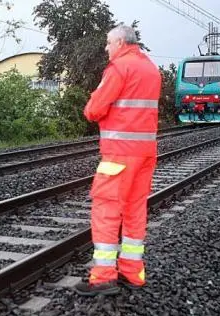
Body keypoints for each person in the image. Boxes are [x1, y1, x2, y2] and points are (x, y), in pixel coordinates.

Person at [74, 25, 161, 296]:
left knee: (106, 210)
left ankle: (102, 277)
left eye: (108, 43)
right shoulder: (151, 69)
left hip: (119, 155)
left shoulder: (119, 68)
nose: (106, 47)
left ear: (121, 42)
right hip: (145, 154)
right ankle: (132, 272)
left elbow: (94, 110)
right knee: (135, 211)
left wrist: (92, 104)